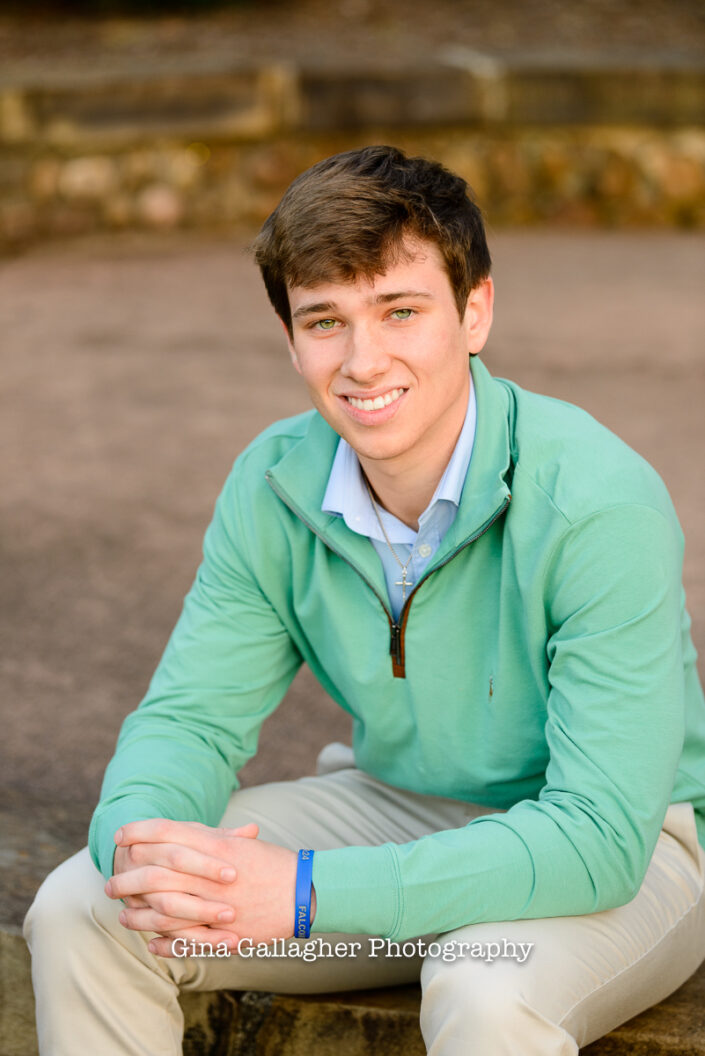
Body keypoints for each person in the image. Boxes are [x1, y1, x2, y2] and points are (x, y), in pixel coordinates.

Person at [24, 145, 705, 1055]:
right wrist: (138, 848)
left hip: (621, 848)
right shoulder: (274, 481)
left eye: (400, 310)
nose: (362, 359)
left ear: (475, 312)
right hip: (395, 805)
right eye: (325, 321)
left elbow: (595, 838)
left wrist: (304, 893)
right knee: (84, 907)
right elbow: (190, 719)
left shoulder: (596, 501)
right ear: (291, 339)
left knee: (483, 985)